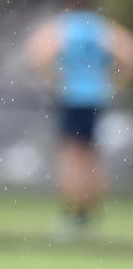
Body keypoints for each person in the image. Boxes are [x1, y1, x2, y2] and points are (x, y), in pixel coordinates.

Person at [26, 1, 133, 236]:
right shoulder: (101, 27)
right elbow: (127, 53)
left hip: (73, 98)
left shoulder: (66, 27)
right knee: (91, 157)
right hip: (96, 98)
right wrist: (110, 80)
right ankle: (89, 214)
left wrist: (55, 78)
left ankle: (74, 214)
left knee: (72, 157)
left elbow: (37, 53)